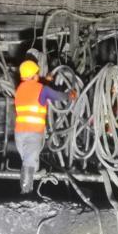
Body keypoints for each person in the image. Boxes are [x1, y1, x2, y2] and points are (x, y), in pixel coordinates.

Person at [13, 60, 72, 195]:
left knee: (27, 160)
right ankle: (25, 191)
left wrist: (47, 81)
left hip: (19, 132)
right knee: (29, 162)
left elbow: (37, 93)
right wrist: (70, 95)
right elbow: (57, 96)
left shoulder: (20, 89)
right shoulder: (42, 89)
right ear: (34, 75)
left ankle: (32, 179)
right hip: (33, 132)